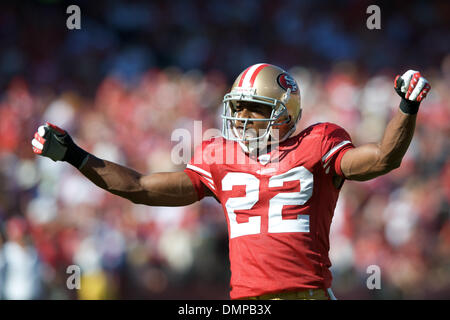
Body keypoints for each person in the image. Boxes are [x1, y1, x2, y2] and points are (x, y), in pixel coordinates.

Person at [31, 64, 431, 300]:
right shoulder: (219, 156)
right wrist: (75, 155)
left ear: (285, 113)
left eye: (252, 109)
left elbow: (383, 158)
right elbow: (140, 188)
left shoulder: (317, 143)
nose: (241, 118)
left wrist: (407, 105)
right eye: (237, 108)